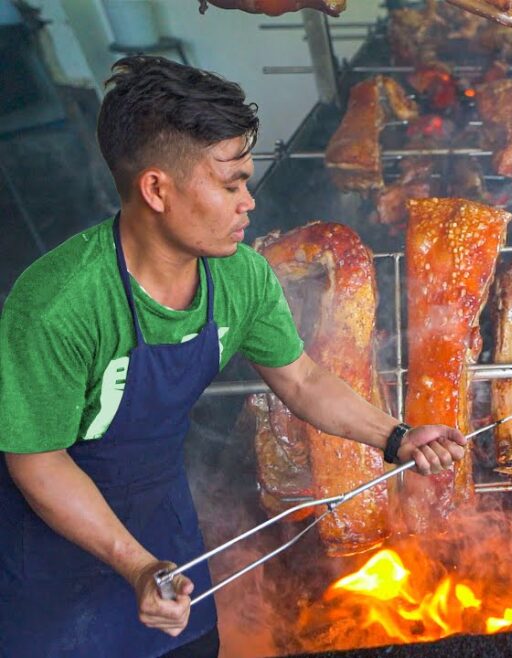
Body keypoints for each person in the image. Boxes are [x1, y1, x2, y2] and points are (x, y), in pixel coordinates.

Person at [0, 56, 467, 657]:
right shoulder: (58, 304)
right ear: (156, 189)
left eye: (247, 180)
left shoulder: (239, 275)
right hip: (52, 562)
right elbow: (37, 461)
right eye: (230, 185)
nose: (249, 202)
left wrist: (396, 435)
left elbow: (300, 378)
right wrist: (135, 565)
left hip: (164, 527)